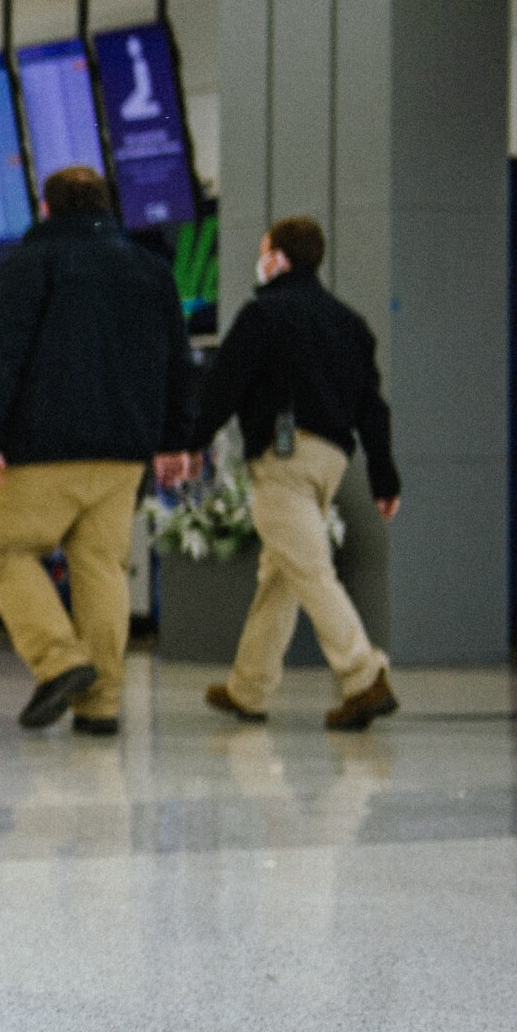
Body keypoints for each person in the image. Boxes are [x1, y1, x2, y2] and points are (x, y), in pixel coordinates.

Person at [0, 167, 197, 735]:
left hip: (45, 445)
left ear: (46, 210)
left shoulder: (32, 264)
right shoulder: (152, 272)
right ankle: (101, 705)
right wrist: (175, 441)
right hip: (123, 455)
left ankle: (60, 660)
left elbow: (4, 349)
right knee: (101, 565)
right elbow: (177, 364)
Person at [194, 215, 401, 731]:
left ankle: (363, 674)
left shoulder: (264, 314)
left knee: (309, 570)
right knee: (281, 573)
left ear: (279, 258)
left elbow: (224, 387)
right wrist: (384, 477)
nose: (259, 261)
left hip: (284, 460)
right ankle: (250, 687)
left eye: (264, 251)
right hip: (331, 460)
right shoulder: (350, 324)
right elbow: (372, 408)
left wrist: (185, 442)